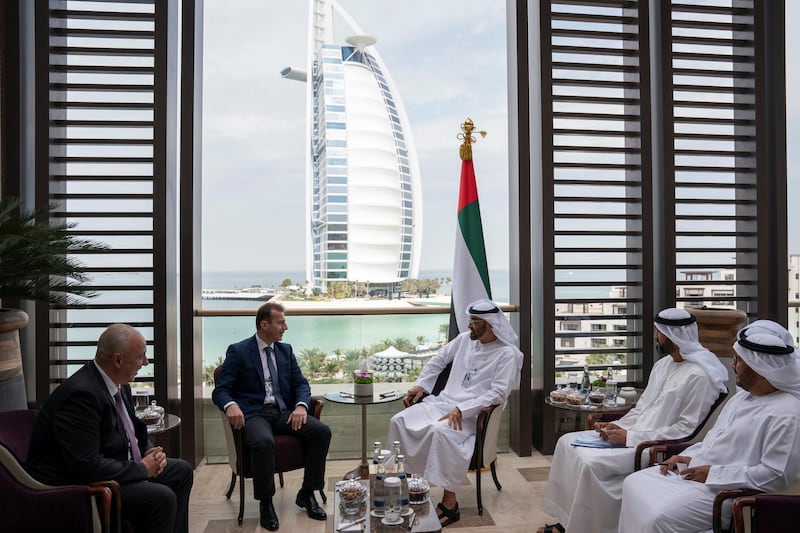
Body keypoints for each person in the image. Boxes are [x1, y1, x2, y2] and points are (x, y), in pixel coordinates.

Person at [540, 308, 728, 533]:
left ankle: (589, 528)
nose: (655, 337)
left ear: (671, 336)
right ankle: (568, 521)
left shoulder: (700, 376)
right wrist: (618, 425)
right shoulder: (663, 365)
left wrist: (631, 437)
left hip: (652, 445)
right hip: (633, 433)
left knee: (590, 463)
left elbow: (685, 429)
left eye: (658, 333)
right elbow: (643, 408)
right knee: (567, 442)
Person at [618, 331, 800, 533]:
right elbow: (713, 441)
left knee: (659, 517)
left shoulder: (787, 413)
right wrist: (688, 457)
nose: (732, 366)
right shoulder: (741, 399)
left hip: (730, 492)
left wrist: (713, 474)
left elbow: (776, 475)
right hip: (703, 477)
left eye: (738, 360)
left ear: (760, 369)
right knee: (634, 482)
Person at [26, 324, 193, 533]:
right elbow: (86, 465)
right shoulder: (81, 396)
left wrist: (151, 452)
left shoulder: (119, 384)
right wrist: (142, 468)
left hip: (115, 466)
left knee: (181, 471)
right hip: (78, 487)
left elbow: (133, 432)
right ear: (117, 360)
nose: (146, 362)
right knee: (161, 498)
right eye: (141, 356)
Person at [387, 298, 523, 528]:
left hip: (470, 414)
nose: (469, 326)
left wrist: (463, 409)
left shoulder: (507, 354)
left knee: (441, 432)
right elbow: (437, 361)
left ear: (490, 324)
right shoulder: (463, 341)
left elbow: (499, 393)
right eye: (470, 320)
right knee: (399, 420)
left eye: (474, 321)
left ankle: (450, 504)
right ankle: (406, 487)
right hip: (443, 403)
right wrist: (421, 385)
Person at [213, 301, 331, 531]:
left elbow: (301, 384)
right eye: (281, 322)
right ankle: (266, 502)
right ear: (264, 324)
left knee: (321, 432)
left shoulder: (285, 350)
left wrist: (300, 407)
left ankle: (307, 493)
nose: (285, 327)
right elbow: (221, 390)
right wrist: (230, 405)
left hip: (283, 412)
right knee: (264, 443)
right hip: (254, 414)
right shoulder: (239, 351)